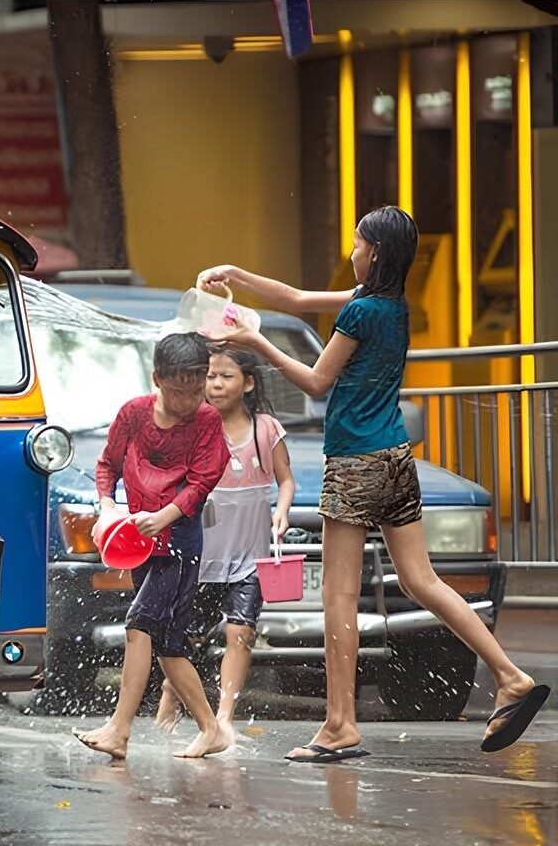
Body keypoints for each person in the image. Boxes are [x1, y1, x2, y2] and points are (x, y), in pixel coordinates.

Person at [197, 205, 549, 762]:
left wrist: (254, 344)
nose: (352, 252)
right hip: (394, 459)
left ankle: (340, 725)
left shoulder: (361, 312)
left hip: (357, 462)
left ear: (376, 253)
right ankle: (509, 675)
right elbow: (294, 299)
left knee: (338, 596)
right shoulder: (389, 305)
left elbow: (316, 383)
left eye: (358, 245)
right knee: (421, 580)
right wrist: (237, 277)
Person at [72, 332, 232, 761]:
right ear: (158, 379)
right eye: (178, 391)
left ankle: (119, 730)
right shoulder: (134, 414)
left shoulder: (207, 421)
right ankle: (212, 728)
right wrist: (107, 508)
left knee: (139, 623)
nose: (187, 401)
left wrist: (163, 518)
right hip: (140, 542)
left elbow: (202, 483)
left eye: (196, 390)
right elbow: (107, 464)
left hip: (178, 540)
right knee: (168, 644)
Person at [155, 348, 295, 735]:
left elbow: (285, 479)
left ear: (248, 383)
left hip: (251, 553)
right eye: (210, 376)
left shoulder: (266, 429)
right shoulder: (192, 427)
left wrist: (281, 511)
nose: (215, 384)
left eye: (226, 376)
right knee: (189, 637)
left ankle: (224, 718)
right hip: (203, 552)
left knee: (242, 632)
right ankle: (171, 693)